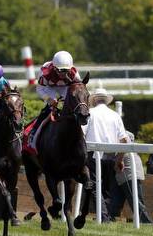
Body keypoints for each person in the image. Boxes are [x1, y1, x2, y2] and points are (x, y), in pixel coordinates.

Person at [84, 87, 130, 222]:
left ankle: (104, 217)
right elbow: (124, 140)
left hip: (93, 154)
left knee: (95, 186)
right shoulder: (115, 115)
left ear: (94, 100)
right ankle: (106, 215)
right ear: (106, 101)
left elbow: (81, 134)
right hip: (111, 154)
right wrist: (120, 160)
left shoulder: (90, 113)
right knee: (107, 188)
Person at [26, 50, 80, 154]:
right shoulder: (45, 73)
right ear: (54, 67)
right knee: (50, 108)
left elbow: (78, 89)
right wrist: (49, 99)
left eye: (66, 70)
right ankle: (33, 134)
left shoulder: (74, 74)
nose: (63, 74)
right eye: (60, 70)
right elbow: (40, 89)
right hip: (49, 88)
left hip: (66, 87)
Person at [109, 131, 152, 223]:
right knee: (117, 199)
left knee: (136, 201)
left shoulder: (125, 150)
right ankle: (109, 217)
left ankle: (146, 222)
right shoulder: (131, 150)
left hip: (128, 176)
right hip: (126, 176)